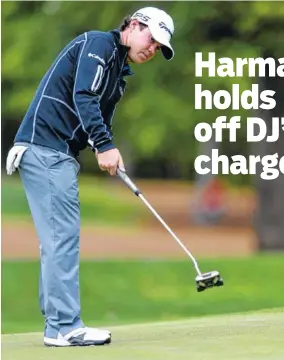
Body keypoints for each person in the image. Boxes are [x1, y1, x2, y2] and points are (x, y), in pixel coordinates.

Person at [6, 6, 175, 347]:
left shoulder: (118, 73)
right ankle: (65, 326)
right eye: (151, 39)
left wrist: (109, 150)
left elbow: (99, 115)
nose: (152, 49)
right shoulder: (98, 45)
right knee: (62, 238)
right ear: (134, 25)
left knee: (56, 238)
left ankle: (57, 322)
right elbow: (83, 96)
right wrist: (104, 145)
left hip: (56, 153)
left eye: (158, 47)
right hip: (45, 149)